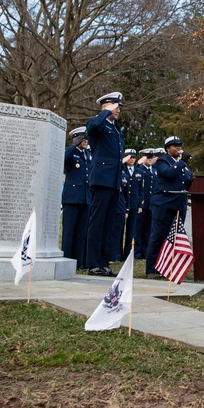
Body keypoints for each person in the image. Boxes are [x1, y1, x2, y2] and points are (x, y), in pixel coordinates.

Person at [86, 92, 125, 277]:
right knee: (97, 222)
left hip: (113, 181)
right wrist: (103, 113)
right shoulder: (97, 124)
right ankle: (93, 263)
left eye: (118, 106)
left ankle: (104, 262)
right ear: (105, 106)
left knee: (109, 224)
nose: (118, 109)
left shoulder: (116, 130)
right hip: (101, 180)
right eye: (114, 105)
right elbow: (93, 127)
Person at [146, 137, 194, 278]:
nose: (178, 148)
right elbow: (168, 174)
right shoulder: (162, 161)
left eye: (179, 146)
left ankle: (166, 267)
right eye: (175, 146)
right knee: (158, 235)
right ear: (167, 148)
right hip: (164, 203)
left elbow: (187, 180)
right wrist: (181, 162)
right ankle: (151, 268)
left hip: (179, 203)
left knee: (174, 237)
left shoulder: (181, 165)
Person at [61, 127, 91, 269]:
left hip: (85, 198)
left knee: (81, 232)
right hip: (72, 197)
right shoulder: (71, 152)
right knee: (69, 230)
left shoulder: (88, 155)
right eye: (82, 138)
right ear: (76, 138)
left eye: (86, 138)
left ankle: (78, 262)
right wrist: (73, 146)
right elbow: (62, 161)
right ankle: (67, 259)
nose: (85, 141)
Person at [134, 148, 158, 259]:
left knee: (148, 230)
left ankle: (145, 251)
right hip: (142, 204)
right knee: (139, 229)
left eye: (151, 158)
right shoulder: (140, 169)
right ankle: (137, 252)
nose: (150, 160)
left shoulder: (154, 170)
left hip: (151, 204)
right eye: (147, 157)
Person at [120, 148, 142, 257]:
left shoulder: (139, 171)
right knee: (120, 229)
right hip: (123, 202)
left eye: (134, 157)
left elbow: (141, 190)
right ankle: (118, 252)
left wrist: (140, 205)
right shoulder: (121, 170)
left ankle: (127, 253)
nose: (132, 159)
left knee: (131, 230)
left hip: (134, 203)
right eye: (130, 157)